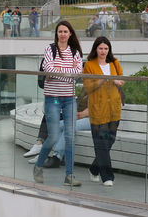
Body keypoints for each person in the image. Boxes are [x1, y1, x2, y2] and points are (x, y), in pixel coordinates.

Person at [34, 20, 83, 187]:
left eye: (65, 31)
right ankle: (38, 165)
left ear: (70, 34)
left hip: (70, 98)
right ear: (57, 34)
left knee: (69, 137)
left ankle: (69, 175)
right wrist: (65, 73)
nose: (62, 34)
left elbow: (77, 73)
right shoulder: (50, 49)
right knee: (54, 135)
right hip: (53, 98)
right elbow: (48, 68)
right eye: (60, 31)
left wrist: (58, 72)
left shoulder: (75, 52)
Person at [83, 36, 124, 186]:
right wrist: (102, 79)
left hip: (113, 108)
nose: (103, 51)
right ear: (96, 49)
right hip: (98, 110)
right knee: (101, 143)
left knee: (109, 141)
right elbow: (88, 86)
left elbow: (121, 78)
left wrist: (118, 81)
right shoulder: (89, 65)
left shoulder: (114, 62)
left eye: (106, 48)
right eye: (100, 48)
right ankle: (107, 177)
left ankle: (94, 169)